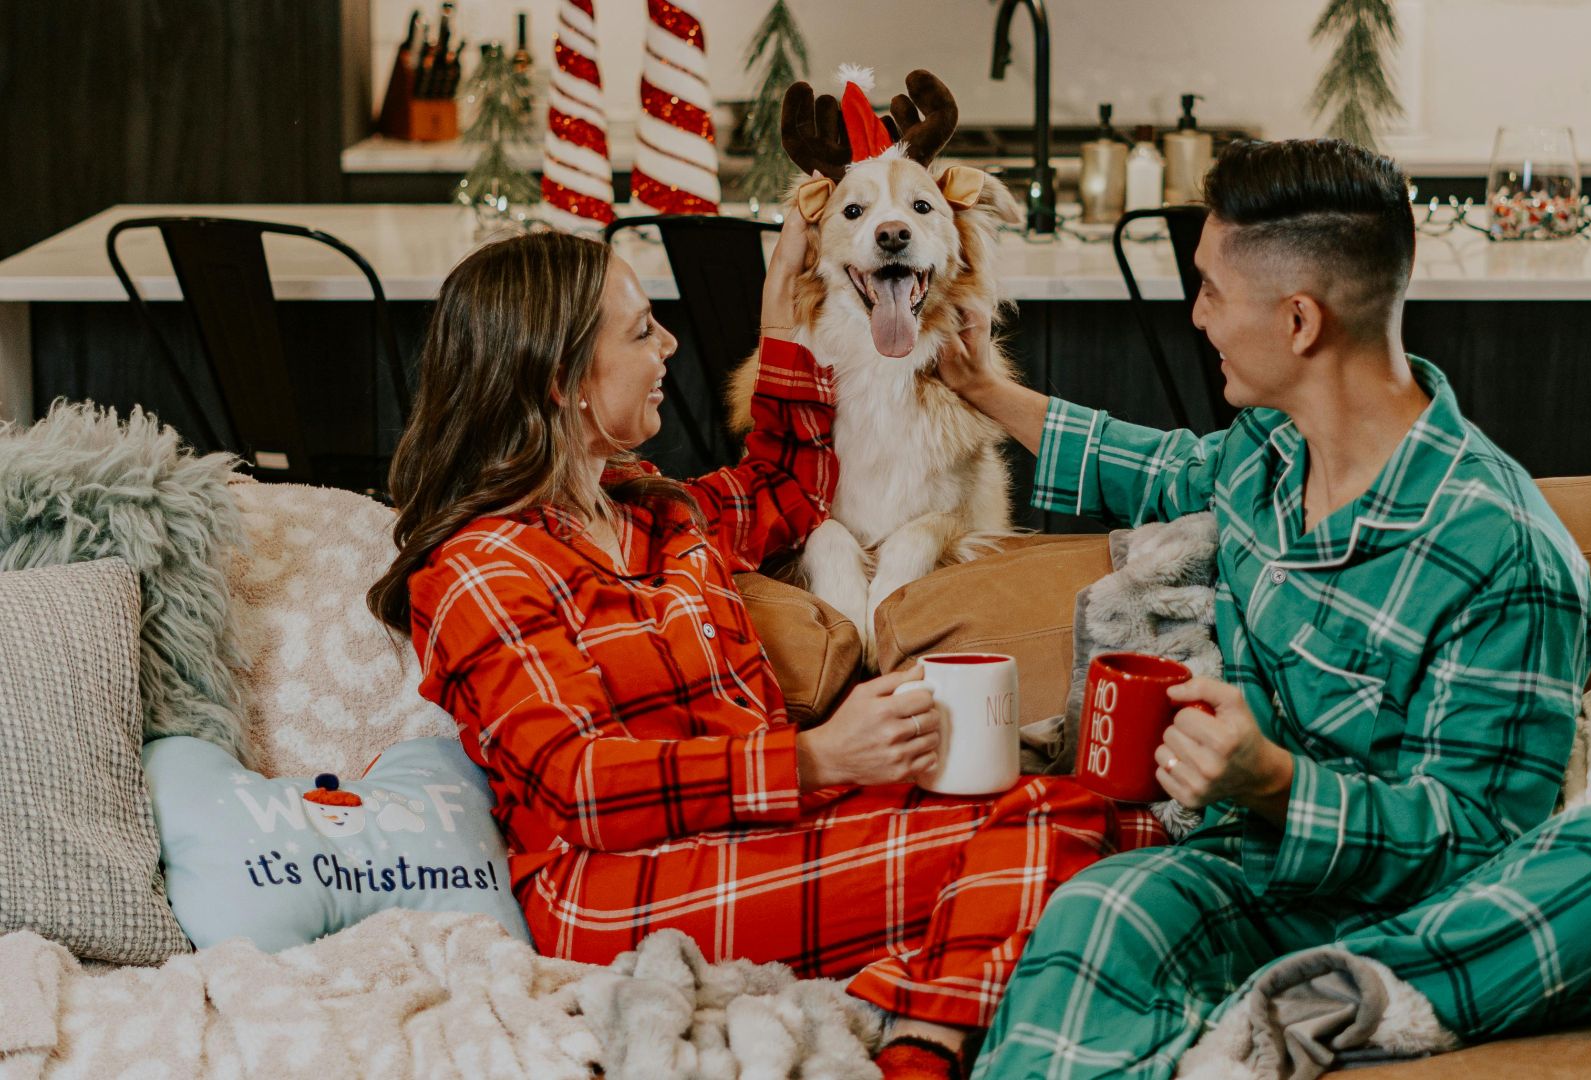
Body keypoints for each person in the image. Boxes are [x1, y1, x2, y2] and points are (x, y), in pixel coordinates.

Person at [936, 139, 1591, 1078]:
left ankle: (1294, 1017)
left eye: (1211, 290)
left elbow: (1475, 841)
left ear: (1299, 321)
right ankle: (1298, 1021)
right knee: (1101, 906)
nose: (1197, 314)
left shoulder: (1503, 550)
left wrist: (1275, 783)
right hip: (1254, 877)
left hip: (1426, 912)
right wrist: (983, 387)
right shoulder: (1265, 453)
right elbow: (1154, 466)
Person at [367, 225, 1164, 1080]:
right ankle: (923, 1053)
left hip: (757, 830)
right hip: (613, 886)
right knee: (1056, 826)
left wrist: (783, 304)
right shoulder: (485, 568)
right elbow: (578, 781)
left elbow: (791, 484)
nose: (670, 344)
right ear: (564, 382)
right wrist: (816, 758)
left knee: (1128, 822)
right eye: (640, 332)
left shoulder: (655, 513)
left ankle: (924, 1002)